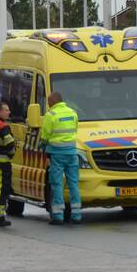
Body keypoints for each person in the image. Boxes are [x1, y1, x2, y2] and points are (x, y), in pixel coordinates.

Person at [41, 90, 81, 225]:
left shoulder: (50, 115)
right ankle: (76, 215)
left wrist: (44, 145)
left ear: (52, 101)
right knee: (73, 184)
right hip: (72, 153)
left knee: (57, 184)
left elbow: (45, 135)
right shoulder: (72, 112)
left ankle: (58, 215)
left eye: (48, 102)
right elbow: (75, 130)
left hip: (57, 154)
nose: (48, 104)